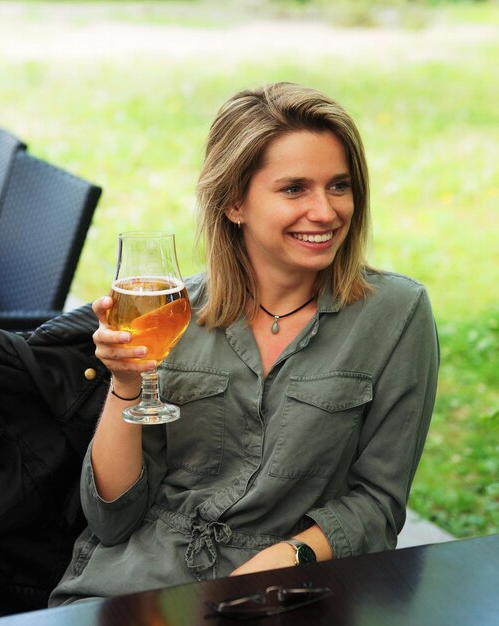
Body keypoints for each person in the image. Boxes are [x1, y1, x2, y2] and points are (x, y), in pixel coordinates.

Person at [50, 82, 439, 605]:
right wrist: (125, 384)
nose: (324, 212)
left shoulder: (395, 314)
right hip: (136, 584)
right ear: (234, 201)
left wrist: (281, 561)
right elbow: (111, 516)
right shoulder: (171, 313)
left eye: (339, 186)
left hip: (286, 588)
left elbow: (377, 503)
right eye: (295, 189)